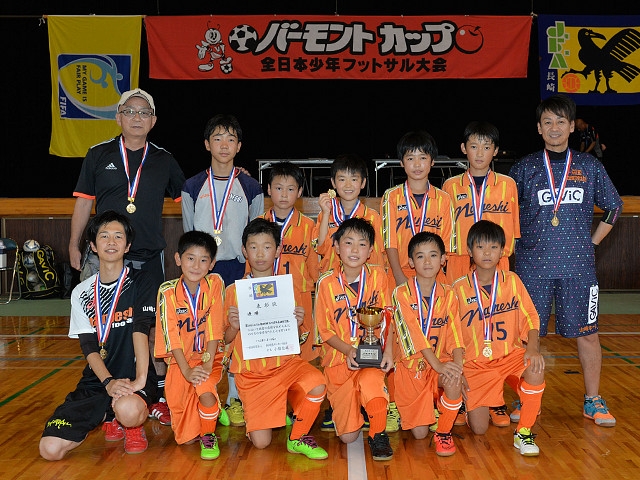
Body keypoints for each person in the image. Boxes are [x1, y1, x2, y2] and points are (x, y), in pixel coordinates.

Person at [68, 88, 185, 425]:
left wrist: (231, 173)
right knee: (103, 330)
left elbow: (193, 195)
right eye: (130, 111)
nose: (137, 117)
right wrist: (74, 244)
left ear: (153, 121)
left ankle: (157, 395)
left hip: (148, 259)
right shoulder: (98, 154)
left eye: (144, 112)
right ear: (118, 117)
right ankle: (109, 393)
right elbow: (83, 203)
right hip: (103, 260)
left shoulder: (164, 159)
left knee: (154, 330)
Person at [509, 94, 622, 427]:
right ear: (539, 128)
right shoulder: (524, 168)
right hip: (532, 267)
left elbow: (614, 207)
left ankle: (593, 400)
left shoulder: (589, 166)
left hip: (578, 268)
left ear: (572, 126)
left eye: (561, 121)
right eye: (548, 122)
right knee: (528, 336)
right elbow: (506, 213)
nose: (554, 128)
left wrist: (592, 243)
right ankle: (526, 398)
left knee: (588, 334)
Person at [40, 211, 157, 460]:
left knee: (129, 410)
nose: (111, 242)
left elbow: (140, 330)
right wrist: (108, 383)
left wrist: (139, 380)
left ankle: (129, 424)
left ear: (128, 245)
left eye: (118, 236)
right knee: (50, 450)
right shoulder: (82, 292)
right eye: (104, 236)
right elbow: (89, 347)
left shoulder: (141, 281)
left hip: (133, 377)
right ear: (93, 246)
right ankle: (108, 415)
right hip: (98, 380)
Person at [217, 218, 328, 459]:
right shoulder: (233, 292)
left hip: (285, 367)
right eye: (253, 247)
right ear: (244, 250)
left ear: (277, 251)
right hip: (252, 375)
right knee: (261, 444)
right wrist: (234, 327)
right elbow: (224, 340)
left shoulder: (287, 289)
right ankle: (263, 414)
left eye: (267, 247)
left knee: (317, 383)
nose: (260, 254)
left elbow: (295, 340)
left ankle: (297, 436)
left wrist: (296, 323)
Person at [181, 113, 264, 427]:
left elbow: (257, 234)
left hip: (238, 268)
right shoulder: (191, 186)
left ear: (239, 146)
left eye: (231, 139)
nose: (224, 144)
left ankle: (236, 398)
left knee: (238, 331)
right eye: (217, 138)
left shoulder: (251, 186)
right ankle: (206, 396)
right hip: (202, 271)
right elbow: (189, 235)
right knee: (206, 332)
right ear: (207, 144)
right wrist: (194, 268)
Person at [442, 121, 520, 426]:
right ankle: (462, 396)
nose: (479, 153)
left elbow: (513, 233)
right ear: (463, 149)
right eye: (473, 146)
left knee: (497, 329)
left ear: (495, 151)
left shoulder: (508, 185)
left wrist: (501, 259)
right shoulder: (450, 186)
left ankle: (495, 399)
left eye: (486, 147)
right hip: (460, 263)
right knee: (461, 330)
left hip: (496, 264)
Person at [452, 220, 545, 456]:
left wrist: (532, 348)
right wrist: (459, 369)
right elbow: (451, 335)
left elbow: (531, 317)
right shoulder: (458, 289)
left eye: (493, 247)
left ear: (502, 251)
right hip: (476, 365)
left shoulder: (512, 281)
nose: (487, 253)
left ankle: (523, 431)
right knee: (480, 429)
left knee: (535, 368)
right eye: (480, 247)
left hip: (509, 356)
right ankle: (472, 403)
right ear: (469, 250)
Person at [315, 217, 394, 461]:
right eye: (348, 243)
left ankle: (378, 433)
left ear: (370, 251)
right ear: (337, 247)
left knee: (372, 383)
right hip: (338, 362)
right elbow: (324, 331)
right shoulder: (326, 283)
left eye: (362, 244)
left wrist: (389, 352)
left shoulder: (378, 276)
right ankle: (354, 407)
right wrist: (349, 350)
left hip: (371, 358)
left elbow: (388, 318)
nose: (355, 250)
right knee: (348, 436)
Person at [154, 231, 227, 460]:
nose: (196, 266)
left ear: (212, 264)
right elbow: (171, 336)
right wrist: (186, 370)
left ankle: (209, 434)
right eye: (190, 258)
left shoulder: (215, 283)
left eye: (203, 260)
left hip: (209, 357)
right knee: (184, 438)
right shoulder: (167, 292)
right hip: (181, 361)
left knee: (204, 388)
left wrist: (207, 365)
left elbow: (215, 326)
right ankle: (213, 409)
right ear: (178, 259)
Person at [391, 232, 464, 456]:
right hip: (411, 367)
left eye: (433, 255)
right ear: (411, 262)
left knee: (453, 380)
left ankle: (443, 432)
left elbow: (455, 334)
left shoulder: (449, 294)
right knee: (420, 433)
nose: (427, 261)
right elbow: (415, 336)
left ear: (443, 259)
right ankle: (428, 405)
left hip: (438, 362)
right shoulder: (400, 293)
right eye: (420, 256)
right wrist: (438, 365)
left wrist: (458, 368)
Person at [261, 161, 320, 361]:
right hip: (266, 298)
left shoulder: (308, 226)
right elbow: (249, 271)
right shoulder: (258, 224)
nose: (284, 194)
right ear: (269, 189)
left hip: (299, 299)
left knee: (302, 357)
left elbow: (314, 270)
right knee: (269, 354)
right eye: (279, 188)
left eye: (291, 189)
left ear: (300, 191)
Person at [381, 130, 454, 288]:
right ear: (402, 162)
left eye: (423, 157)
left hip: (434, 274)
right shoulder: (391, 196)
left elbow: (446, 243)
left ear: (432, 161)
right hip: (400, 273)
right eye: (410, 158)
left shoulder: (444, 199)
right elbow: (389, 242)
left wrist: (432, 276)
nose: (417, 164)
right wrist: (399, 277)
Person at [313, 153, 386, 275]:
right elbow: (320, 248)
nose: (348, 185)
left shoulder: (373, 217)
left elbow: (377, 255)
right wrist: (325, 214)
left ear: (363, 183)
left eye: (354, 179)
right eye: (342, 179)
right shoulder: (326, 214)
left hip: (364, 281)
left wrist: (375, 280)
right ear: (333, 183)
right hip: (333, 280)